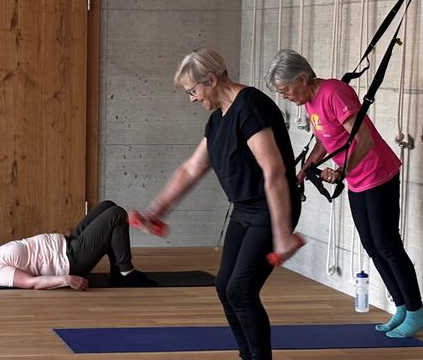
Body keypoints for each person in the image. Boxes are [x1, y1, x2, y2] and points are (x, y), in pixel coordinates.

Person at [130, 48, 303, 360]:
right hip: (244, 210)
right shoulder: (218, 120)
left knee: (241, 290)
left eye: (192, 91)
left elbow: (274, 171)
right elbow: (191, 169)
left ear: (211, 80)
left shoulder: (250, 107)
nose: (192, 99)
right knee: (225, 287)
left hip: (270, 209)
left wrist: (282, 235)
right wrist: (155, 210)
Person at [267, 49, 423, 338]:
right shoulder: (310, 101)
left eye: (285, 89)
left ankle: (416, 310)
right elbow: (324, 140)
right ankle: (402, 307)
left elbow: (364, 139)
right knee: (372, 246)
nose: (285, 96)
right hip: (358, 180)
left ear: (301, 78)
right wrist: (305, 169)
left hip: (378, 173)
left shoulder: (333, 93)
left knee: (387, 244)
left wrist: (342, 171)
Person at [0, 200, 151, 290]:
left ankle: (117, 270)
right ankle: (126, 273)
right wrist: (66, 280)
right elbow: (31, 283)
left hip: (68, 243)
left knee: (107, 206)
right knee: (116, 214)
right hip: (71, 260)